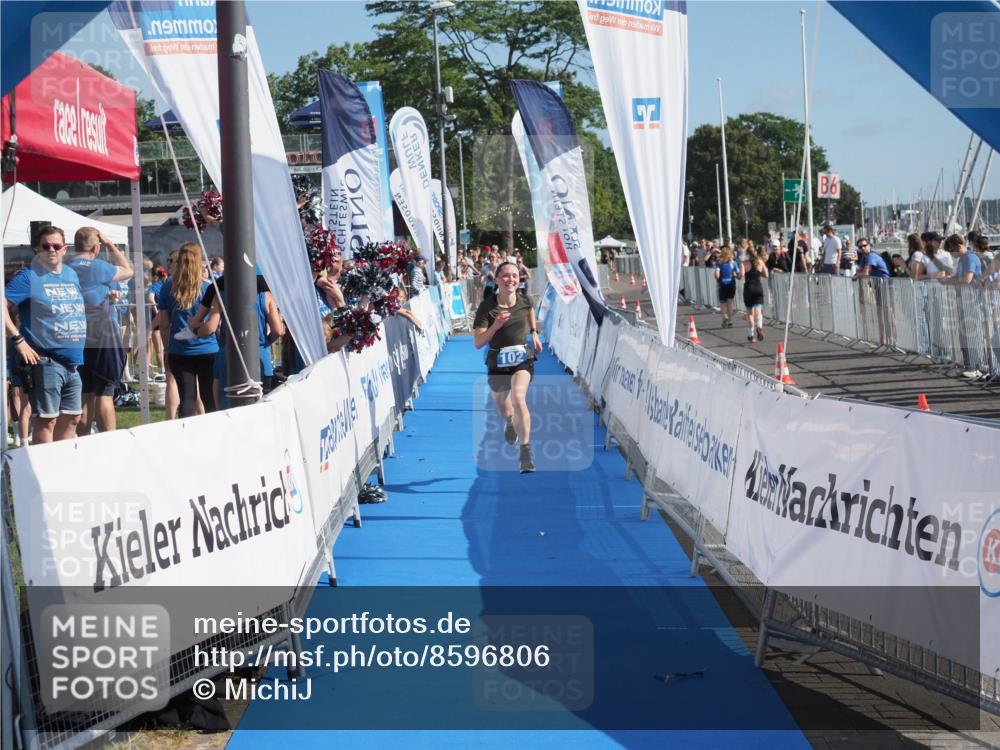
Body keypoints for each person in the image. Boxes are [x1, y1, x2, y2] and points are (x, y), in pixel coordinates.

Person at [3, 226, 87, 442]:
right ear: (37, 249)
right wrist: (18, 340)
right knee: (46, 420)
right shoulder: (29, 276)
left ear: (64, 249)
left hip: (72, 363)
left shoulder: (70, 274)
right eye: (46, 246)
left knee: (72, 418)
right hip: (45, 361)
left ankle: (61, 462)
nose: (51, 250)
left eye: (56, 246)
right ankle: (41, 461)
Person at [472, 261, 542, 474]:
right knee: (504, 407)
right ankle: (510, 422)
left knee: (519, 398)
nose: (511, 279)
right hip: (497, 362)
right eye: (506, 276)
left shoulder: (525, 300)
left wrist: (534, 332)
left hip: (522, 359)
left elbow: (529, 310)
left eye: (515, 276)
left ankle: (525, 452)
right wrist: (495, 325)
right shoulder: (487, 307)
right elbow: (478, 343)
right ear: (497, 279)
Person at [66, 227, 133, 435]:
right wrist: (110, 244)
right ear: (96, 247)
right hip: (103, 335)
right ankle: (109, 443)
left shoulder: (65, 268)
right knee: (104, 392)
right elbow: (128, 270)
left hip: (75, 333)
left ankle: (83, 441)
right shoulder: (99, 266)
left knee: (84, 393)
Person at [154, 243, 219, 417]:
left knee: (187, 398)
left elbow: (164, 323)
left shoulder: (168, 286)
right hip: (208, 349)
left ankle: (185, 431)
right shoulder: (208, 287)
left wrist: (167, 349)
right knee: (209, 397)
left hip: (179, 350)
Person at [742, 247, 768, 343]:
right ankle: (759, 327)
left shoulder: (744, 263)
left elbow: (741, 275)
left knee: (749, 313)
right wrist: (758, 273)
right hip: (758, 287)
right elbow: (766, 275)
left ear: (747, 254)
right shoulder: (760, 262)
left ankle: (751, 336)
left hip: (748, 288)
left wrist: (737, 274)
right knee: (758, 310)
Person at [714, 247, 740, 327]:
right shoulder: (734, 263)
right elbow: (738, 275)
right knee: (730, 303)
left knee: (722, 303)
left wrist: (717, 279)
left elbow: (717, 274)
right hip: (731, 284)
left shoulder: (719, 263)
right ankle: (730, 320)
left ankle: (724, 317)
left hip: (722, 284)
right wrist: (736, 276)